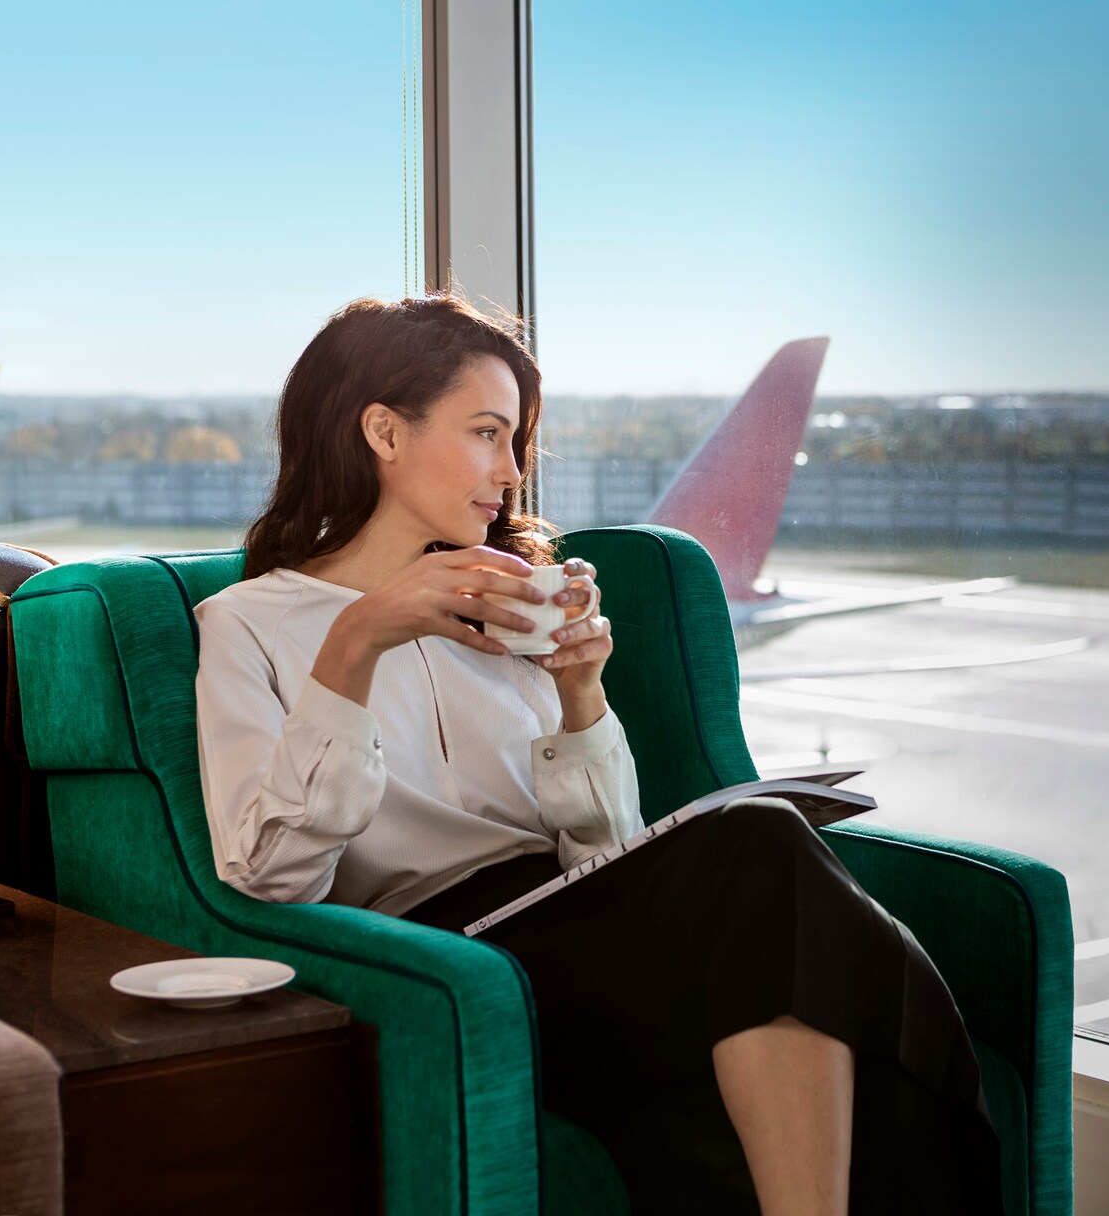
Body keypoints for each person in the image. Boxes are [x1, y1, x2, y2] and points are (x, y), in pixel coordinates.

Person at [192, 292, 1003, 1215]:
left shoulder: (511, 600)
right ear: (382, 430)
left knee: (775, 885)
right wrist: (358, 641)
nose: (509, 472)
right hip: (453, 959)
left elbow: (598, 852)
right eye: (488, 434)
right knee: (769, 856)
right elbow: (268, 876)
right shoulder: (247, 626)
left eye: (516, 442)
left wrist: (581, 693)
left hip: (585, 921)